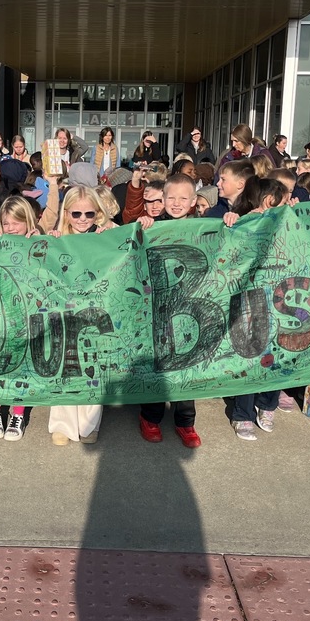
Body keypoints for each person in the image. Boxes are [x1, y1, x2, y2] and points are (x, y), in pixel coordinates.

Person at [220, 178, 292, 440]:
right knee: (250, 355)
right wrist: (234, 220)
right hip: (250, 300)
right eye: (282, 200)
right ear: (267, 200)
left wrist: (294, 213)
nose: (286, 205)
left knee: (278, 353)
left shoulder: (285, 221)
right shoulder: (246, 221)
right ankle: (243, 413)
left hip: (280, 297)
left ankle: (268, 404)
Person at [135, 174, 203, 449]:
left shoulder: (204, 226)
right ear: (162, 199)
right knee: (158, 364)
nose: (176, 203)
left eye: (183, 198)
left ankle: (185, 421)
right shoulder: (154, 225)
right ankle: (150, 417)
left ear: (193, 201)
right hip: (158, 310)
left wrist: (231, 218)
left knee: (188, 365)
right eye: (170, 198)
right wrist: (142, 226)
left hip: (191, 308)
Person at [46, 185, 114, 446]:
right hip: (64, 310)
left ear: (98, 212)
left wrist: (128, 226)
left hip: (97, 309)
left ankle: (89, 423)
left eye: (89, 213)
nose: (83, 219)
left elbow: (133, 241)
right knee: (64, 363)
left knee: (93, 363)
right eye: (76, 214)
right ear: (67, 213)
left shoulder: (107, 234)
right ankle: (62, 423)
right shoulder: (57, 238)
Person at [0, 196, 41, 441]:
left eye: (16, 222)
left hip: (26, 314)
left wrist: (44, 239)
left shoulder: (38, 241)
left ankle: (18, 412)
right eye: (6, 223)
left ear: (28, 221)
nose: (10, 228)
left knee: (23, 362)